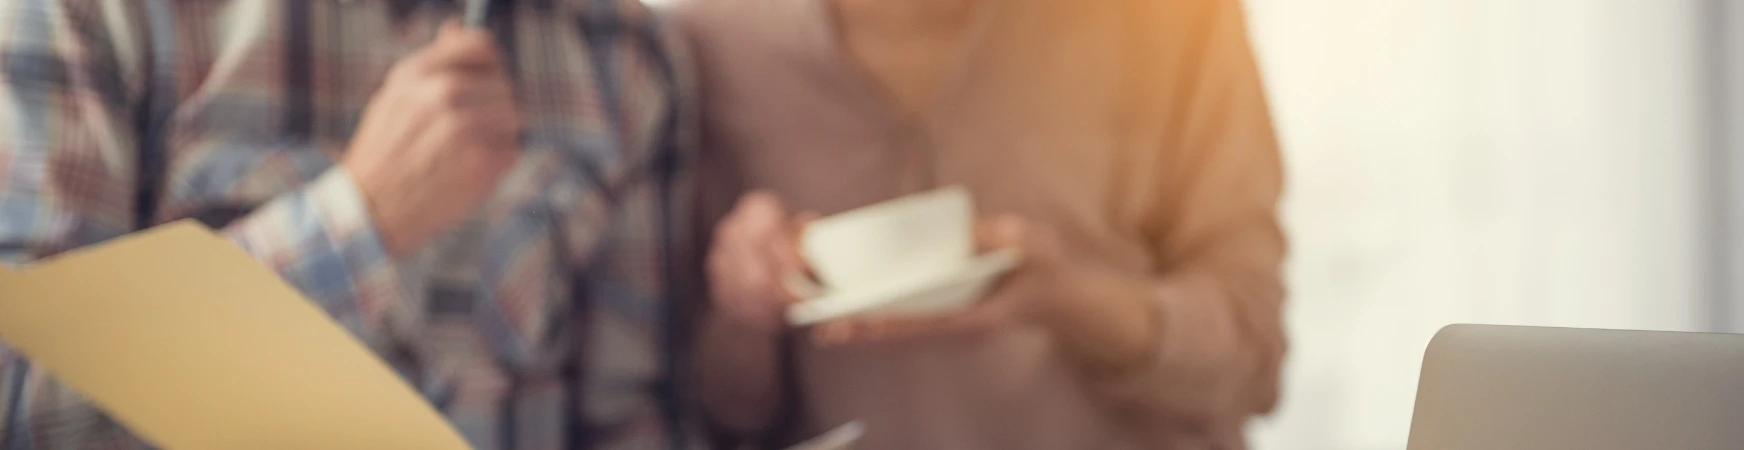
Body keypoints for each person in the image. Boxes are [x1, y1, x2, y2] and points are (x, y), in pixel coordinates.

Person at [0, 1, 700, 449]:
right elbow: (22, 411)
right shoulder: (87, 15)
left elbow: (632, 420)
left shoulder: (630, 56)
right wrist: (360, 220)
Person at [671, 0, 1286, 448]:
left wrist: (1072, 302)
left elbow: (1254, 362)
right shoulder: (705, 48)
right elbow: (709, 410)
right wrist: (743, 315)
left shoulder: (1175, 22)